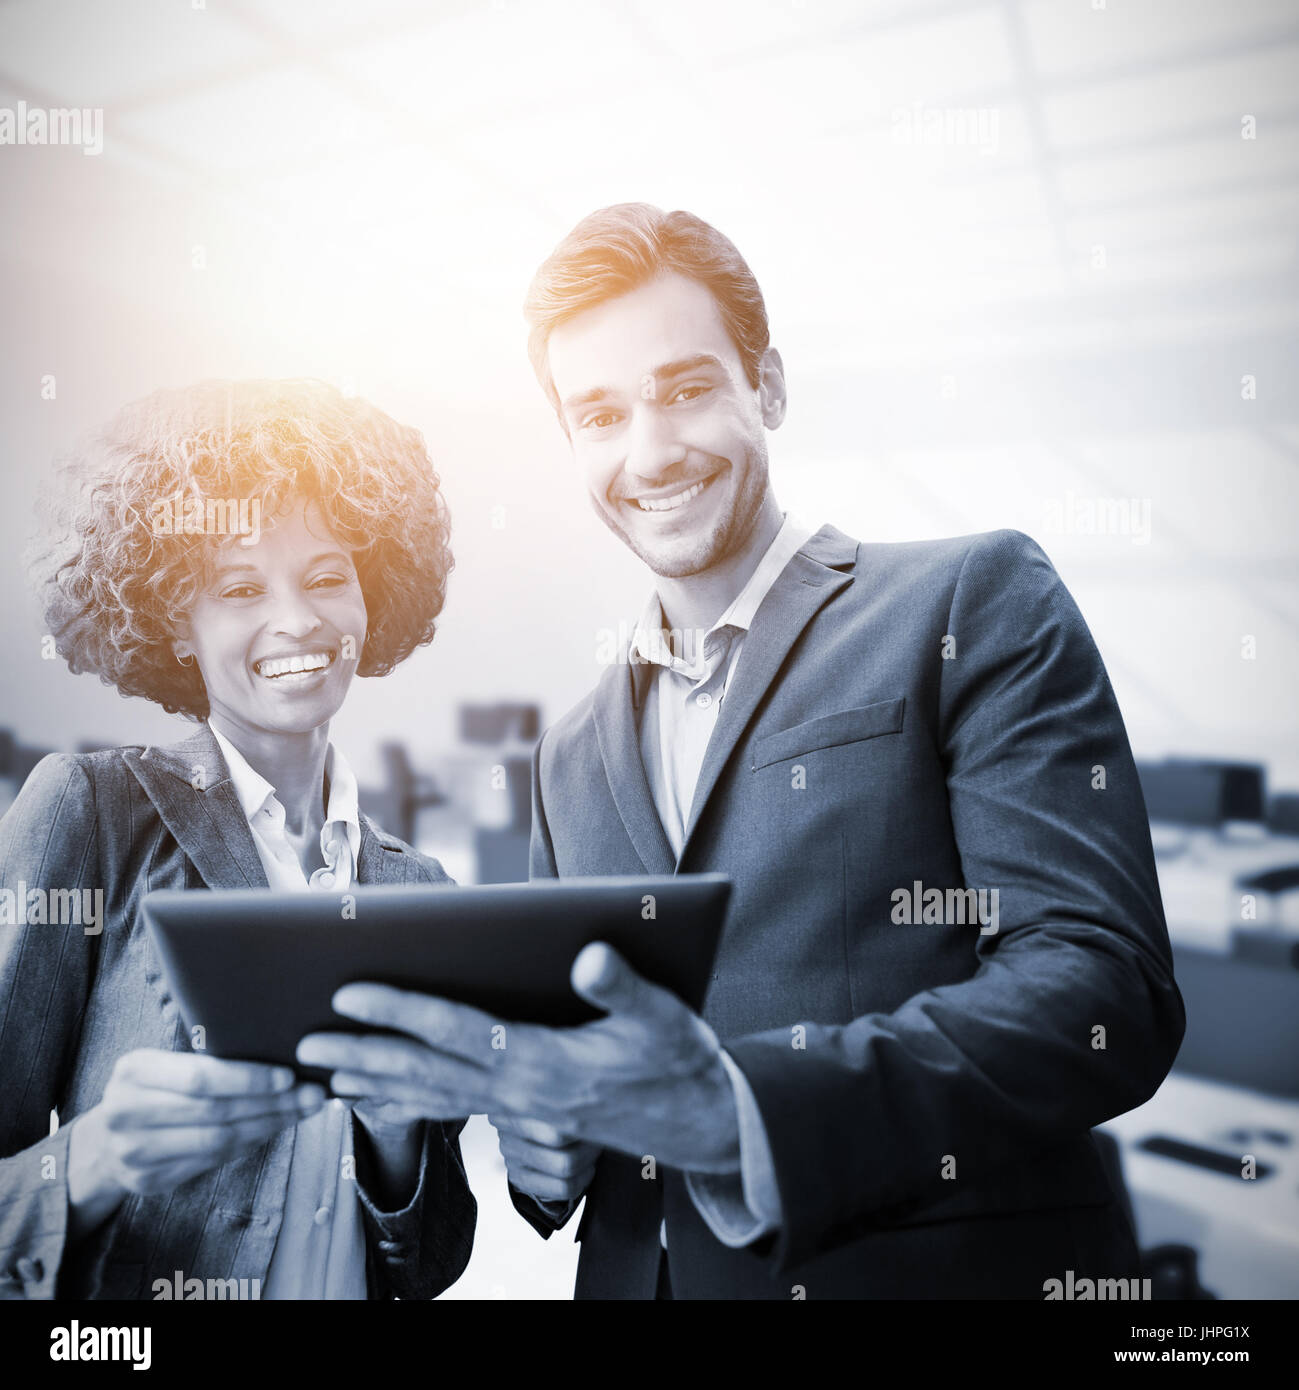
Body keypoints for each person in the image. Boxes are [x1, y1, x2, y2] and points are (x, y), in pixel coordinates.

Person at [299, 205, 1186, 1299]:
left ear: (766, 385)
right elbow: (570, 1107)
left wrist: (735, 1110)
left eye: (685, 389)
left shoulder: (970, 600)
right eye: (601, 414)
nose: (651, 451)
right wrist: (544, 1144)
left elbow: (1105, 991)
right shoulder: (569, 753)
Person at [0, 379, 474, 1300]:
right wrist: (95, 1157)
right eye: (239, 587)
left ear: (371, 596)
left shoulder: (418, 888)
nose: (295, 620)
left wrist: (394, 1140)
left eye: (328, 576)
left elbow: (430, 1262)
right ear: (177, 620)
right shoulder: (90, 815)